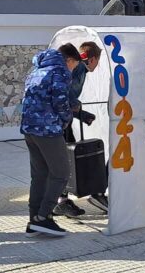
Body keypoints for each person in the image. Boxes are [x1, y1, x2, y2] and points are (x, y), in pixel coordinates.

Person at [21, 43, 79, 238]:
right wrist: (66, 119)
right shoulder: (60, 71)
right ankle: (44, 216)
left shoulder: (37, 70)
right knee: (61, 172)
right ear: (69, 60)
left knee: (39, 175)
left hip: (29, 129)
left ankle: (34, 220)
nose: (73, 69)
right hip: (48, 129)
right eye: (75, 65)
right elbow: (60, 101)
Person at [55, 41, 105, 216]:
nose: (97, 66)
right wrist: (77, 108)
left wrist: (81, 114)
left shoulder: (79, 68)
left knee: (66, 157)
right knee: (64, 159)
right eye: (98, 61)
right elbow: (65, 94)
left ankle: (60, 200)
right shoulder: (78, 69)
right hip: (57, 120)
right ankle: (60, 201)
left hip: (62, 118)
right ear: (92, 59)